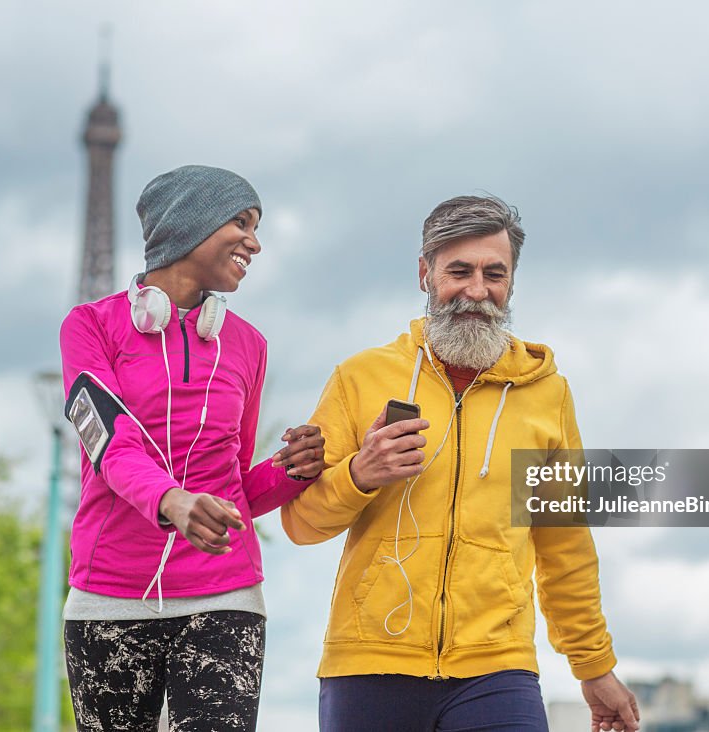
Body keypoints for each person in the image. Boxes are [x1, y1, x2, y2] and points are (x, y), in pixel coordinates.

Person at [281, 195, 640, 732]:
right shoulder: (358, 378)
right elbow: (301, 524)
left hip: (498, 668)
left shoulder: (548, 395)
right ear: (424, 274)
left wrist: (593, 666)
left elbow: (564, 544)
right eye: (459, 271)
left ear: (513, 281)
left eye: (494, 273)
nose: (477, 291)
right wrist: (361, 474)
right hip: (368, 662)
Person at [59, 165, 324, 731]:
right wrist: (173, 501)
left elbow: (233, 489)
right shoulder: (88, 326)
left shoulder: (250, 345)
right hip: (108, 597)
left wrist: (289, 472)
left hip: (224, 595)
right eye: (241, 222)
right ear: (189, 224)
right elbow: (107, 439)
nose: (255, 242)